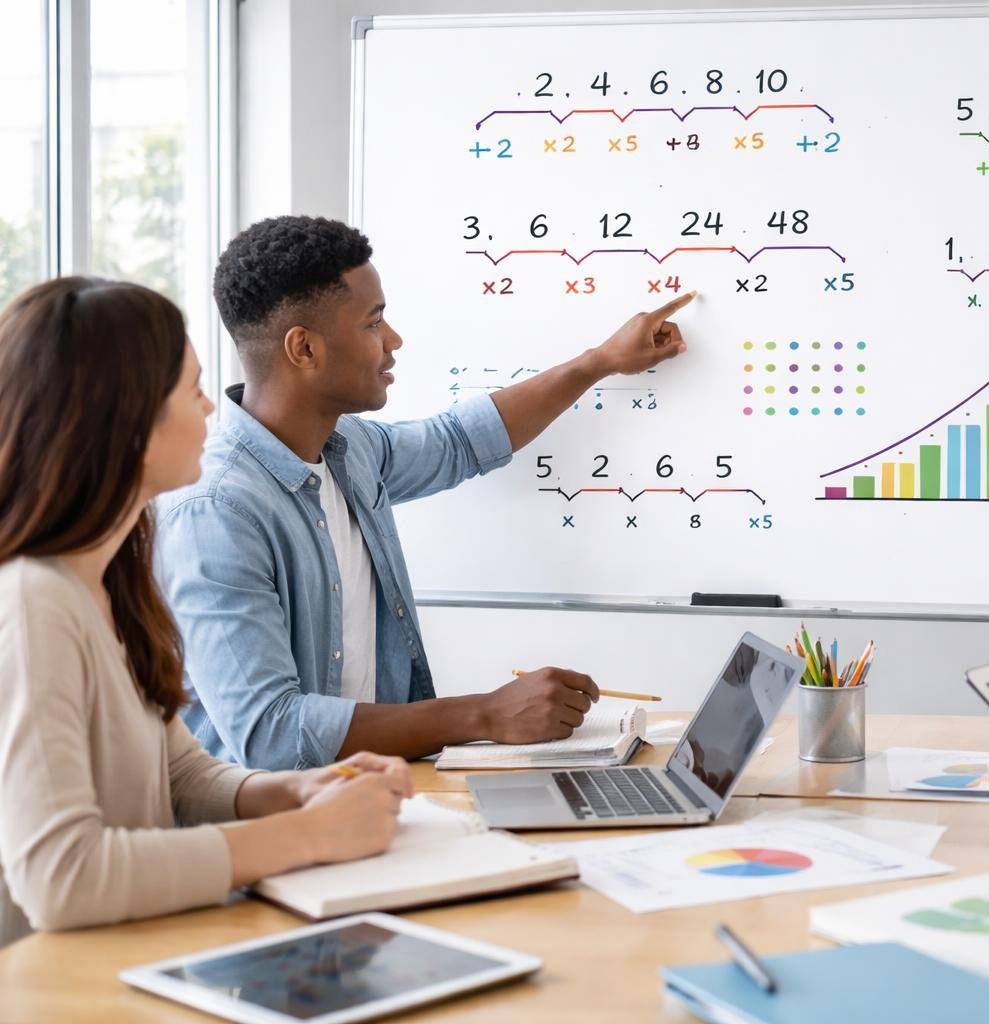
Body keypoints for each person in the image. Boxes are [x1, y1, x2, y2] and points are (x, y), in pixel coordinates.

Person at [156, 216, 693, 772]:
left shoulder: (349, 450)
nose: (393, 341)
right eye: (374, 323)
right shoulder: (216, 513)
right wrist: (484, 715)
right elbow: (271, 733)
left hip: (364, 799)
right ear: (304, 349)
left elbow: (461, 439)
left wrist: (598, 362)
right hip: (273, 834)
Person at [0, 278, 411, 946]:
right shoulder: (31, 604)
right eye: (191, 391)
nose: (210, 413)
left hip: (141, 953)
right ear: (126, 425)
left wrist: (304, 790)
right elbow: (63, 878)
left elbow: (181, 775)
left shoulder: (112, 581)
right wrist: (308, 835)